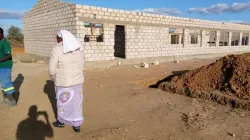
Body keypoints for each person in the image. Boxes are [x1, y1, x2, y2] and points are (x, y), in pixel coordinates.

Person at [48, 30, 84, 133]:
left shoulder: (57, 49)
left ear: (61, 38)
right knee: (76, 103)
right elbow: (82, 64)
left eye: (57, 38)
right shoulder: (78, 48)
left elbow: (51, 68)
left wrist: (53, 77)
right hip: (77, 82)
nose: (56, 40)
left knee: (63, 102)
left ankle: (61, 122)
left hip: (62, 82)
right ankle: (76, 125)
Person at [0, 27, 16, 107]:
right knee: (3, 84)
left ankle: (12, 102)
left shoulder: (5, 43)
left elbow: (9, 55)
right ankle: (6, 100)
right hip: (1, 67)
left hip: (5, 67)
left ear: (1, 34)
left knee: (7, 84)